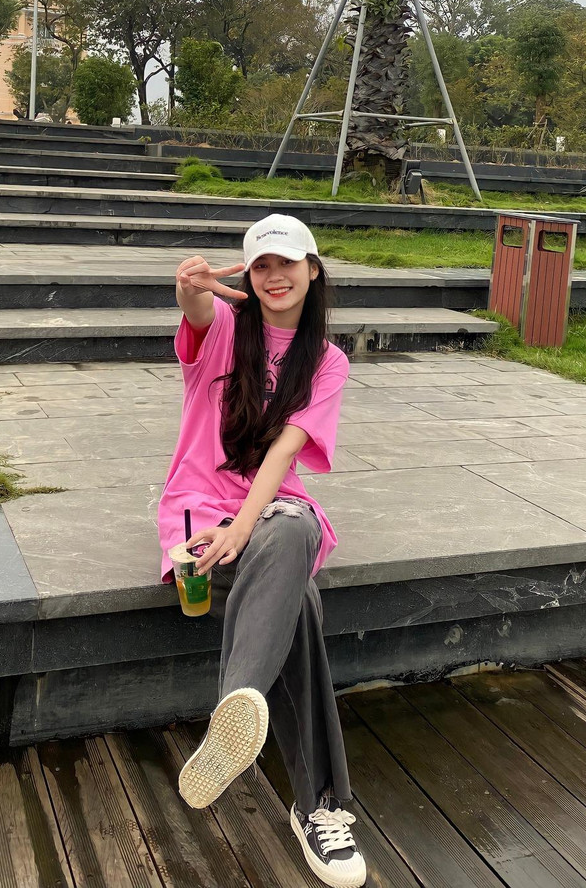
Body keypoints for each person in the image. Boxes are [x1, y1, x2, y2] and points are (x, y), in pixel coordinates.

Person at [157, 213, 367, 888]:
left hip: (267, 511)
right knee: (297, 598)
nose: (275, 277)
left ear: (313, 269)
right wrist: (190, 285)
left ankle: (236, 702)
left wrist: (243, 528)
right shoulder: (223, 328)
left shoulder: (327, 361)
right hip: (199, 509)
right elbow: (195, 310)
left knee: (294, 528)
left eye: (287, 263)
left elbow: (283, 454)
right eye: (261, 266)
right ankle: (321, 807)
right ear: (247, 277)